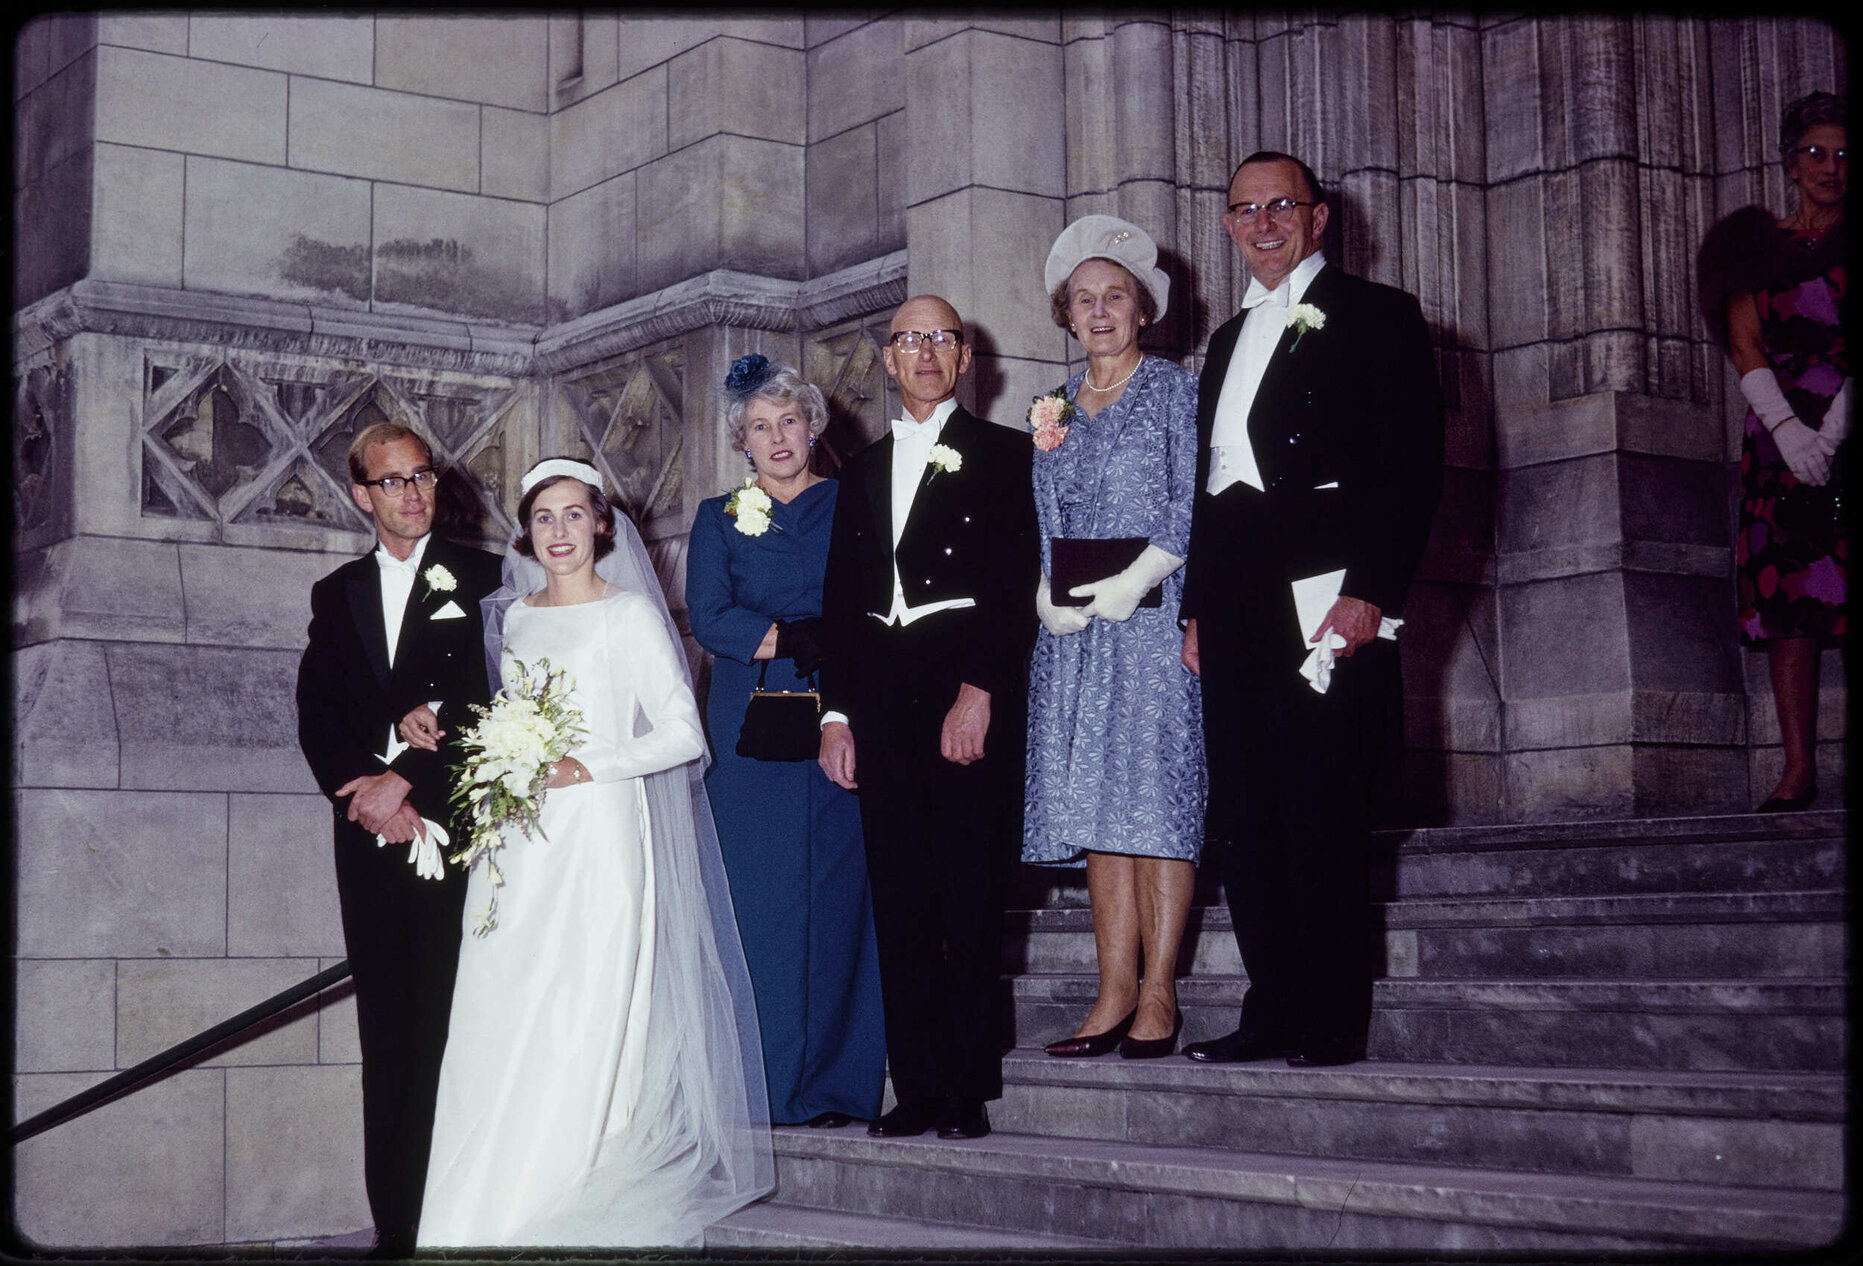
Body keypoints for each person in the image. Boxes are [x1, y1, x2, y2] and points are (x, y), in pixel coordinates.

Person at [405, 458, 774, 1247]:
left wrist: (587, 765)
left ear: (602, 524)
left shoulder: (630, 615)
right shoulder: (515, 617)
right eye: (544, 518)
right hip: (521, 841)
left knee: (583, 1005)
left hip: (602, 832)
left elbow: (681, 733)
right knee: (497, 1010)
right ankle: (475, 1211)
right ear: (526, 532)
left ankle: (567, 1188)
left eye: (576, 515)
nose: (560, 532)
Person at [1179, 152, 1443, 1069]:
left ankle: (1328, 1018)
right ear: (1226, 224)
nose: (1261, 223)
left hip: (1325, 588)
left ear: (1318, 217)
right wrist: (1196, 610)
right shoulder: (1221, 341)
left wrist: (1371, 590)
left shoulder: (1379, 316)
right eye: (1243, 209)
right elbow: (1210, 492)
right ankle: (1272, 1008)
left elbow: (1409, 469)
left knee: (1320, 804)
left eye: (1279, 206)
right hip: (1235, 595)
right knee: (1247, 810)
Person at [817, 294, 1040, 1140]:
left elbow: (1014, 585)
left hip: (958, 688)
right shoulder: (861, 470)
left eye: (940, 339)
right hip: (878, 700)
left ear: (961, 359)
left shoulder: (1003, 454)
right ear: (885, 357)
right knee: (900, 898)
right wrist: (836, 715)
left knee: (968, 896)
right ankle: (914, 1085)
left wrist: (980, 692)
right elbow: (840, 604)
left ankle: (966, 1084)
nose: (922, 353)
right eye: (908, 339)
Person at [294, 422, 502, 1256]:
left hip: (459, 831)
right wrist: (366, 795)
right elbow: (320, 712)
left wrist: (408, 783)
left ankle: (462, 1216)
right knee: (387, 1034)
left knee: (456, 1024)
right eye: (393, 481)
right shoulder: (336, 592)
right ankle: (400, 1228)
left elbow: (494, 704)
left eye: (423, 477)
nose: (413, 494)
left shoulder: (488, 578)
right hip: (371, 837)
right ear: (360, 494)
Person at [686, 354, 886, 1128]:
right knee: (759, 908)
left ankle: (836, 1086)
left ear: (813, 426)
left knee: (840, 903)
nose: (776, 437)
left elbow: (873, 602)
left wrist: (833, 642)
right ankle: (761, 1087)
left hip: (843, 718)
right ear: (742, 440)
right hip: (753, 733)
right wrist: (787, 635)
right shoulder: (718, 516)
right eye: (759, 427)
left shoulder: (854, 502)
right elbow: (709, 615)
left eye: (788, 421)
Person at [1022, 216, 1206, 1060]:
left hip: (1153, 620)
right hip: (1077, 637)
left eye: (1115, 297)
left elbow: (1188, 501)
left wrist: (1137, 583)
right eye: (1084, 300)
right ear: (1066, 314)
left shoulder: (1172, 389)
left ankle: (1160, 990)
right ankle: (1112, 990)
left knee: (1156, 802)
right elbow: (1042, 517)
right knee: (1099, 807)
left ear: (1143, 311)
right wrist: (1044, 593)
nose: (1098, 312)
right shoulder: (1051, 407)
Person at [1697, 90, 1847, 813]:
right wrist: (1790, 434)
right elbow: (1744, 343)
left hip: (1849, 424)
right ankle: (1796, 770)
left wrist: (1833, 430)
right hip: (1778, 437)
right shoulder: (1753, 246)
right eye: (1815, 153)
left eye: (1845, 155)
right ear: (1790, 164)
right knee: (1792, 601)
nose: (1830, 167)